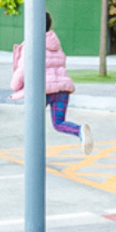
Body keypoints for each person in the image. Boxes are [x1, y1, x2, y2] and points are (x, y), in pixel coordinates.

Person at [12, 12, 93, 154]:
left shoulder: (31, 44)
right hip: (62, 89)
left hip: (43, 90)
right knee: (58, 123)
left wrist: (15, 86)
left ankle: (34, 154)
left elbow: (23, 69)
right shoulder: (56, 43)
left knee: (32, 121)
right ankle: (79, 130)